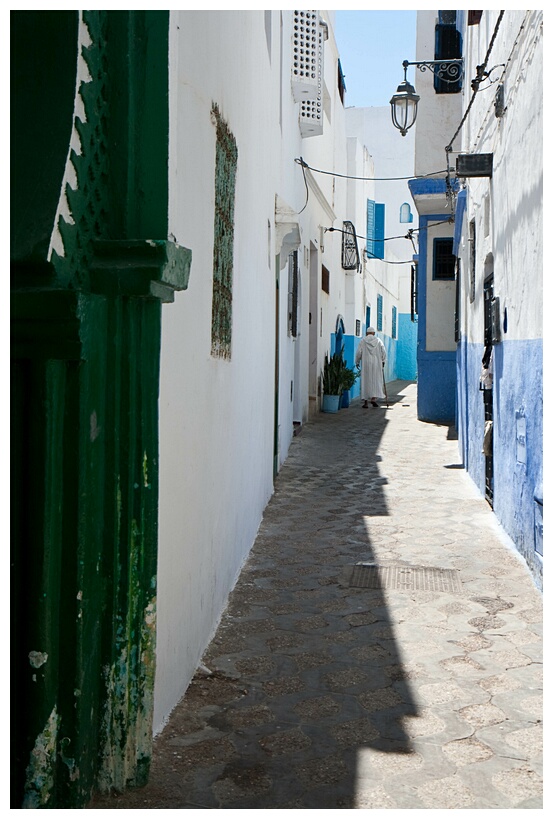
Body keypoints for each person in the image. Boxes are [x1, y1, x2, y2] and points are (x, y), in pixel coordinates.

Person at [355, 327, 386, 408]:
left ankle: (365, 402)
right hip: (376, 363)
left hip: (366, 363)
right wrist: (383, 361)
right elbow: (383, 351)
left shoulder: (363, 341)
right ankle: (373, 399)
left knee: (366, 381)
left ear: (367, 333)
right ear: (374, 333)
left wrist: (357, 362)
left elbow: (359, 352)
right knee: (375, 381)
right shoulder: (378, 341)